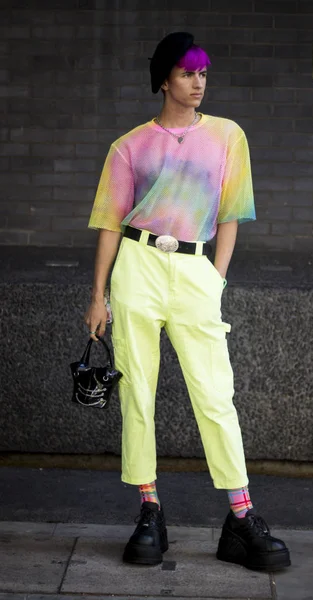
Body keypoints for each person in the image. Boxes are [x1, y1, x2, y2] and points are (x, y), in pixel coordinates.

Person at [85, 31, 290, 573]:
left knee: (216, 395)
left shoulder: (227, 136)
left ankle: (241, 516)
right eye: (186, 73)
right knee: (138, 393)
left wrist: (215, 279)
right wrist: (98, 296)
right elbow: (110, 223)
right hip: (138, 268)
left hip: (197, 270)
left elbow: (231, 212)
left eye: (203, 72)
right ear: (164, 80)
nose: (198, 83)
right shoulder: (129, 146)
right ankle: (150, 511)